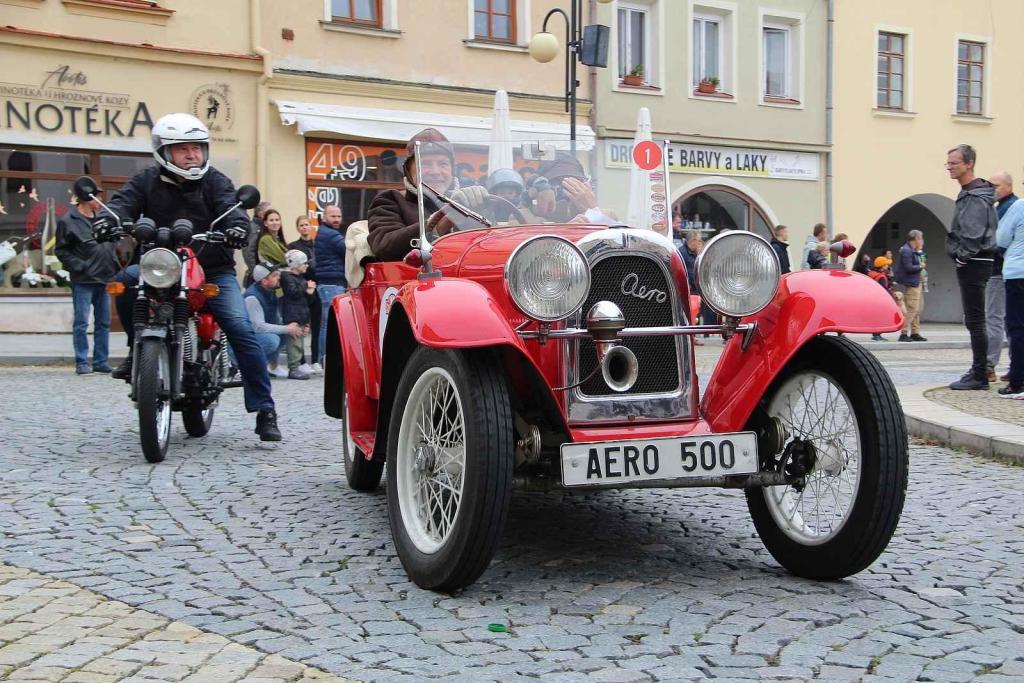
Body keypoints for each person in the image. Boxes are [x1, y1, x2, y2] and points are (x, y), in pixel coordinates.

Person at [97, 112, 281, 441]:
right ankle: (136, 349)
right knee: (124, 283)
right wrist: (107, 219)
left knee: (240, 327)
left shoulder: (216, 181)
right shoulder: (146, 180)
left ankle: (264, 409)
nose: (192, 155)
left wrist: (237, 227)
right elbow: (122, 203)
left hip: (211, 270)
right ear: (164, 152)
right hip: (160, 266)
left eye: (197, 148)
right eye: (183, 148)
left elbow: (232, 208)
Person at [367, 127, 488, 261]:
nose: (435, 171)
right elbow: (383, 247)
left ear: (452, 170)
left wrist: (481, 207)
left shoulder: (468, 201)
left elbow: (489, 247)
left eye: (443, 164)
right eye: (425, 164)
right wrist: (436, 225)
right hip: (417, 273)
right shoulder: (391, 199)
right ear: (408, 170)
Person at [945, 143, 998, 390]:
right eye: (948, 163)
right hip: (977, 261)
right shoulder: (973, 193)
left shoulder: (975, 196)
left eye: (954, 163)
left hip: (975, 262)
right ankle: (979, 370)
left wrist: (961, 257)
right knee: (975, 319)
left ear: (969, 164)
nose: (949, 167)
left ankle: (979, 374)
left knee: (975, 320)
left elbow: (973, 234)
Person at [55, 184, 119, 375]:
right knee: (81, 323)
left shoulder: (102, 219)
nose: (100, 200)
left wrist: (114, 262)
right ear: (86, 198)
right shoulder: (68, 221)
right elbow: (61, 250)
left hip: (104, 278)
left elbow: (109, 243)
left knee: (103, 323)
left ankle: (101, 361)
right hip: (83, 280)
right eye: (97, 197)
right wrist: (79, 266)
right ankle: (82, 361)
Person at [244, 261, 304, 379]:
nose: (279, 278)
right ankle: (247, 367)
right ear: (264, 281)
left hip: (257, 335)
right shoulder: (252, 298)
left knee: (284, 333)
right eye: (274, 275)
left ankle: (272, 366)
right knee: (272, 340)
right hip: (245, 340)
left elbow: (277, 320)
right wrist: (287, 328)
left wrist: (296, 326)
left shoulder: (270, 293)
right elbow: (258, 327)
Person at [987, 171, 1017, 382]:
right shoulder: (1004, 207)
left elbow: (1000, 241)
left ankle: (989, 365)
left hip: (1000, 271)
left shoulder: (1008, 208)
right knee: (1011, 320)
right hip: (1006, 271)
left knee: (995, 319)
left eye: (995, 186)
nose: (992, 190)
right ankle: (1016, 366)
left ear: (1008, 186)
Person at [996, 179, 1024, 398]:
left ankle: (1018, 381)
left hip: (1018, 273)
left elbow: (1001, 237)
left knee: (1017, 327)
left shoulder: (1019, 206)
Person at [314, 204, 347, 365]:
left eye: (339, 216)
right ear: (324, 217)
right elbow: (348, 251)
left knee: (327, 324)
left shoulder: (325, 232)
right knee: (328, 324)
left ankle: (325, 359)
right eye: (333, 216)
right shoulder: (331, 235)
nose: (336, 219)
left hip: (329, 284)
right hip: (332, 284)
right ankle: (326, 359)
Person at [288, 215, 321, 372]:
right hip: (301, 288)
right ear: (298, 228)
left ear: (311, 226)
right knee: (301, 324)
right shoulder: (293, 246)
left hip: (317, 288)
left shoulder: (317, 245)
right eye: (301, 225)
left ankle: (315, 360)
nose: (304, 227)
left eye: (306, 224)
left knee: (316, 325)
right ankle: (301, 361)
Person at [279, 250, 316, 380]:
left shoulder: (300, 278)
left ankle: (297, 365)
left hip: (301, 313)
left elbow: (306, 299)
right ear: (296, 265)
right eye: (304, 263)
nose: (307, 265)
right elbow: (293, 293)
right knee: (294, 342)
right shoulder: (287, 277)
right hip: (292, 315)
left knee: (299, 343)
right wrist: (306, 286)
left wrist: (310, 292)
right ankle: (293, 368)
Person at [894, 229, 927, 342]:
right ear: (916, 239)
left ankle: (915, 332)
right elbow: (908, 267)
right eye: (921, 238)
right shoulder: (907, 250)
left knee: (918, 309)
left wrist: (919, 251)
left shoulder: (913, 250)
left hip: (917, 282)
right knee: (912, 309)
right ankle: (903, 333)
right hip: (912, 283)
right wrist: (920, 266)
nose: (922, 241)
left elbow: (920, 259)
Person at [243, 201, 270, 287]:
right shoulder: (254, 229)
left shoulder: (264, 228)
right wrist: (257, 274)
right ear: (262, 214)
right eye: (269, 212)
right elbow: (249, 253)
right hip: (257, 279)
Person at [868, 256, 893, 341]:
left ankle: (875, 334)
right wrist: (890, 295)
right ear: (882, 266)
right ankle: (877, 335)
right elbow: (884, 290)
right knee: (879, 318)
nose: (887, 266)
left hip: (871, 298)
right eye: (886, 264)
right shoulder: (881, 277)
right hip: (879, 300)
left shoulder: (871, 273)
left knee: (875, 317)